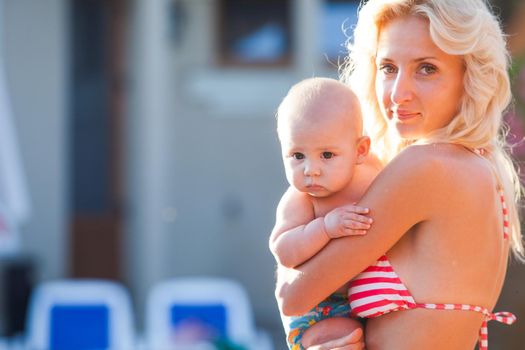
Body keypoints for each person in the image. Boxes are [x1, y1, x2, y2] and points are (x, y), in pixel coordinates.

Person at [275, 0, 523, 349]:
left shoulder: (424, 167)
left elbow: (293, 296)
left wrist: (303, 222)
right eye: (388, 67)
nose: (397, 93)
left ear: (469, 76)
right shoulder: (485, 171)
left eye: (426, 69)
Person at [270, 77, 382, 349]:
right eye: (297, 156)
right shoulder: (301, 200)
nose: (311, 170)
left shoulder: (376, 175)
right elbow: (284, 250)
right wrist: (324, 227)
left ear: (360, 150)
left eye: (327, 155)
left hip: (367, 300)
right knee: (346, 338)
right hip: (322, 312)